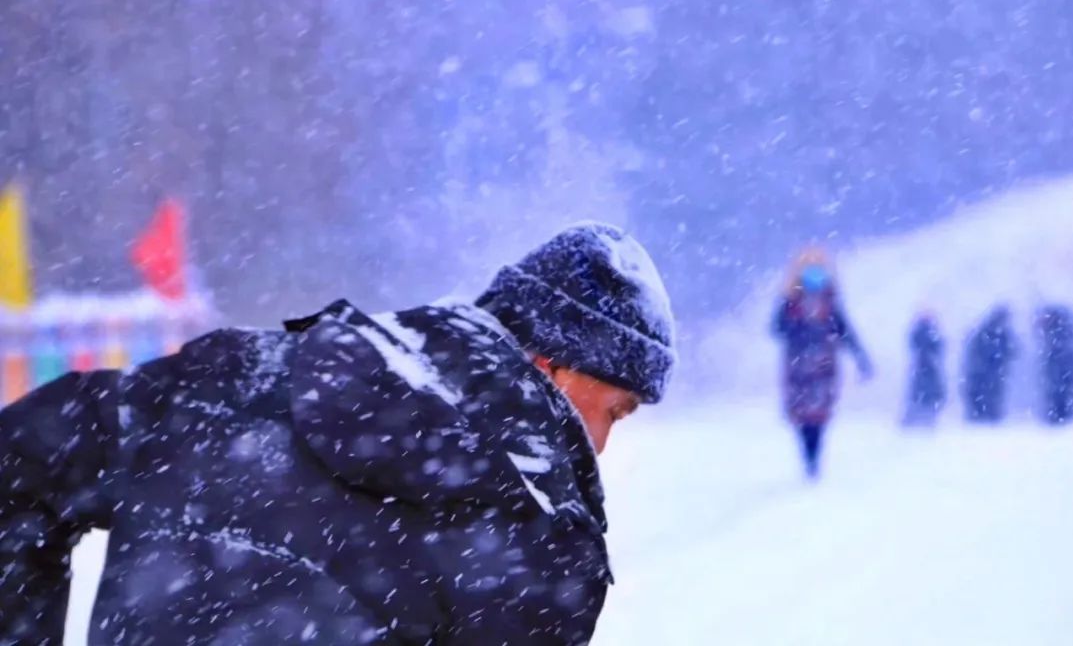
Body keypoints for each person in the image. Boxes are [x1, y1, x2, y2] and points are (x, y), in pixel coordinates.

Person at [0, 223, 676, 645]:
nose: (603, 444)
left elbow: (19, 462)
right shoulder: (540, 545)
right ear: (552, 362)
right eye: (613, 410)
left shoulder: (242, 378)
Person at [773, 250, 873, 479]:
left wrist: (861, 359)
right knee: (801, 416)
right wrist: (795, 323)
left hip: (824, 367)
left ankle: (814, 460)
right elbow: (777, 328)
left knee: (819, 415)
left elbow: (846, 331)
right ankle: (808, 458)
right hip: (798, 367)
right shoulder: (790, 302)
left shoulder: (830, 301)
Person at [962, 306, 1018, 423]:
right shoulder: (991, 331)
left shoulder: (997, 332)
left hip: (991, 372)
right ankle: (985, 418)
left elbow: (1013, 350)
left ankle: (986, 417)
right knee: (987, 397)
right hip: (987, 372)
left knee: (989, 397)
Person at [1035, 304, 1073, 425]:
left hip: (1061, 370)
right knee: (1058, 394)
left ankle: (1060, 417)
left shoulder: (1059, 332)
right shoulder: (1061, 330)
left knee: (1060, 394)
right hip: (1059, 370)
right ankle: (1059, 417)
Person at [903, 312, 947, 427]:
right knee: (924, 400)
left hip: (924, 372)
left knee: (919, 400)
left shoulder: (924, 335)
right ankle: (918, 423)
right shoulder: (931, 335)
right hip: (926, 372)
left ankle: (914, 423)